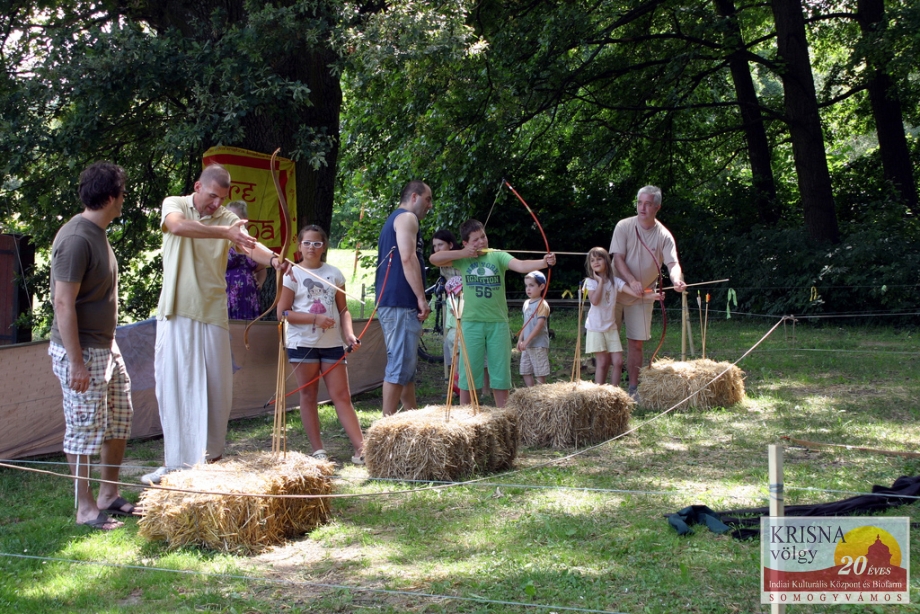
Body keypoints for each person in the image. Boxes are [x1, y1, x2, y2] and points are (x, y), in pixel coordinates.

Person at [143, 164, 289, 485]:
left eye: (222, 198)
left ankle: (211, 461)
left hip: (211, 312)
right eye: (212, 196)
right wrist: (225, 233)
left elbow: (249, 244)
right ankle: (173, 464)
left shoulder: (226, 218)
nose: (216, 203)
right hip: (176, 310)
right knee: (174, 386)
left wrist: (275, 259)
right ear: (198, 186)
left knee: (216, 388)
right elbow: (177, 227)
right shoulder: (175, 204)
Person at [48, 161, 134, 530]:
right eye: (123, 194)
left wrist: (109, 345)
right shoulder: (76, 239)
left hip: (105, 347)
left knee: (119, 418)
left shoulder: (97, 232)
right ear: (111, 197)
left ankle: (108, 495)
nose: (124, 199)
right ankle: (85, 509)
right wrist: (76, 363)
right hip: (81, 351)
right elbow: (62, 302)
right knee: (84, 429)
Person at [430, 219, 555, 407]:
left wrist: (544, 262)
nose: (482, 241)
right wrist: (463, 253)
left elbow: (521, 265)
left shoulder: (497, 255)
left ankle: (502, 414)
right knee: (469, 372)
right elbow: (434, 259)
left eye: (483, 237)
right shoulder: (463, 258)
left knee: (500, 372)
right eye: (475, 240)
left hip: (498, 323)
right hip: (471, 323)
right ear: (465, 243)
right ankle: (465, 414)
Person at [277, 225, 365, 464]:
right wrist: (314, 319)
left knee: (341, 395)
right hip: (302, 343)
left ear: (324, 246)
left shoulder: (334, 274)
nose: (311, 248)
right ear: (299, 246)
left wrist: (349, 335)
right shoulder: (292, 274)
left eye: (317, 243)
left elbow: (343, 310)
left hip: (332, 343)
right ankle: (318, 450)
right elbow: (283, 313)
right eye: (307, 243)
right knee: (308, 394)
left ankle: (361, 449)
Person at [609, 186, 687, 402]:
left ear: (657, 207)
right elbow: (617, 258)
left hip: (643, 295)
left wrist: (676, 280)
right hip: (615, 291)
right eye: (639, 203)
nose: (642, 208)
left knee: (636, 343)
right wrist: (631, 281)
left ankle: (633, 389)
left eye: (648, 204)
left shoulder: (664, 235)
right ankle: (606, 389)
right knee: (608, 341)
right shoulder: (624, 226)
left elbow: (673, 263)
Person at [375, 180, 433, 417]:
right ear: (414, 196)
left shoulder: (395, 219)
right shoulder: (407, 218)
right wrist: (421, 298)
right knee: (399, 366)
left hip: (395, 301)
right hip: (400, 301)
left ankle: (413, 419)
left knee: (406, 367)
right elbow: (408, 258)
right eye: (428, 199)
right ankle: (384, 426)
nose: (430, 205)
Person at [583, 247, 662, 387]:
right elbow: (594, 301)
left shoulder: (615, 281)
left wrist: (652, 296)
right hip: (595, 327)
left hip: (611, 327)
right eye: (592, 260)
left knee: (618, 362)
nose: (596, 262)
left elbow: (633, 292)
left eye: (599, 259)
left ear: (607, 261)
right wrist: (600, 282)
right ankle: (598, 393)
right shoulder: (590, 281)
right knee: (602, 362)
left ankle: (614, 392)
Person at [225, 201, 267, 320]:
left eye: (236, 218)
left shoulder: (251, 243)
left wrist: (260, 282)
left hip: (249, 296)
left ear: (245, 221)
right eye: (228, 218)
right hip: (224, 295)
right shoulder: (220, 243)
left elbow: (261, 268)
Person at [517, 271, 551, 387]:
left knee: (539, 372)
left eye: (531, 285)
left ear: (541, 287)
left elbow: (539, 325)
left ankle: (540, 394)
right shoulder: (526, 303)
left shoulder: (542, 304)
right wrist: (520, 340)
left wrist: (526, 341)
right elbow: (525, 324)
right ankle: (531, 393)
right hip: (527, 345)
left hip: (538, 344)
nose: (528, 289)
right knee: (525, 371)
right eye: (526, 285)